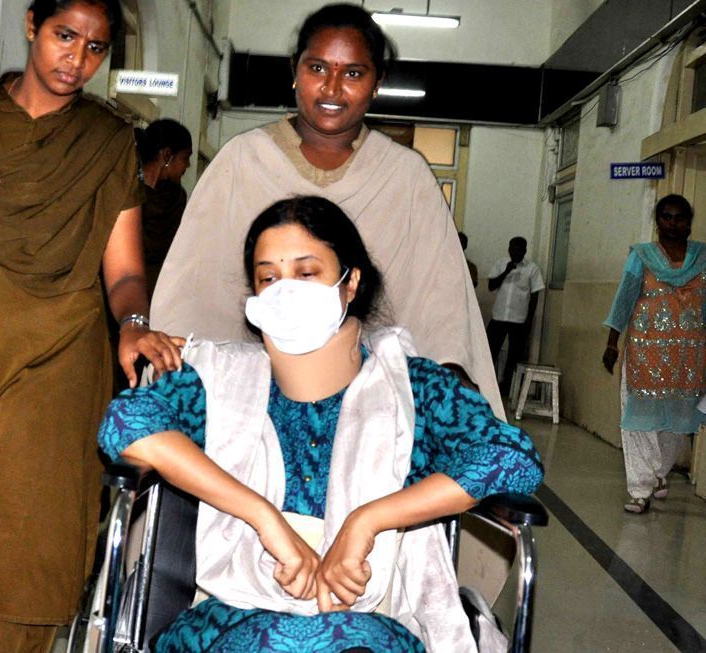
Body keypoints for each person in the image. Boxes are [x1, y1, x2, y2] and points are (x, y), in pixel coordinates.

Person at [99, 196, 544, 652]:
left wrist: (367, 522)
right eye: (268, 278)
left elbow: (511, 458)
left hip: (371, 614)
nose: (285, 291)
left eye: (307, 273)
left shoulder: (413, 388)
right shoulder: (217, 380)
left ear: (351, 283)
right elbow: (125, 424)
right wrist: (264, 519)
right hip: (233, 607)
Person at [151, 3, 505, 418]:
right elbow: (192, 293)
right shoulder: (241, 162)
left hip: (372, 408)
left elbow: (441, 306)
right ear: (294, 70)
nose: (332, 88)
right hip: (249, 402)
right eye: (317, 68)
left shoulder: (407, 178)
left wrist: (449, 383)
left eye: (353, 73)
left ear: (377, 82)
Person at [0, 1, 182, 649]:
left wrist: (133, 322)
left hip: (52, 362)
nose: (77, 59)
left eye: (95, 48)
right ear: (32, 24)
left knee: (26, 554)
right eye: (64, 36)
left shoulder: (107, 141)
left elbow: (124, 268)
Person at [603, 194, 706, 514]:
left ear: (689, 223)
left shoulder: (703, 258)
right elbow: (624, 298)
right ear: (657, 221)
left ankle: (659, 473)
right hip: (644, 355)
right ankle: (639, 489)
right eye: (666, 217)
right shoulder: (642, 256)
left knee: (678, 420)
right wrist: (611, 343)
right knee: (637, 420)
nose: (672, 223)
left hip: (688, 358)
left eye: (679, 217)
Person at [136, 118, 193, 296]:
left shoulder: (176, 199)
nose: (188, 165)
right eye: (185, 157)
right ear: (167, 155)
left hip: (161, 294)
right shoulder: (127, 195)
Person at [486, 236, 545, 393]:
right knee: (489, 351)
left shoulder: (532, 269)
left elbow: (534, 297)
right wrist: (506, 271)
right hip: (498, 316)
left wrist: (529, 322)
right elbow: (491, 286)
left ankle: (507, 388)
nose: (515, 252)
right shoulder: (500, 264)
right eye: (513, 249)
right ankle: (486, 384)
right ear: (509, 249)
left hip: (518, 320)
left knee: (515, 356)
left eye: (519, 250)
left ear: (525, 251)